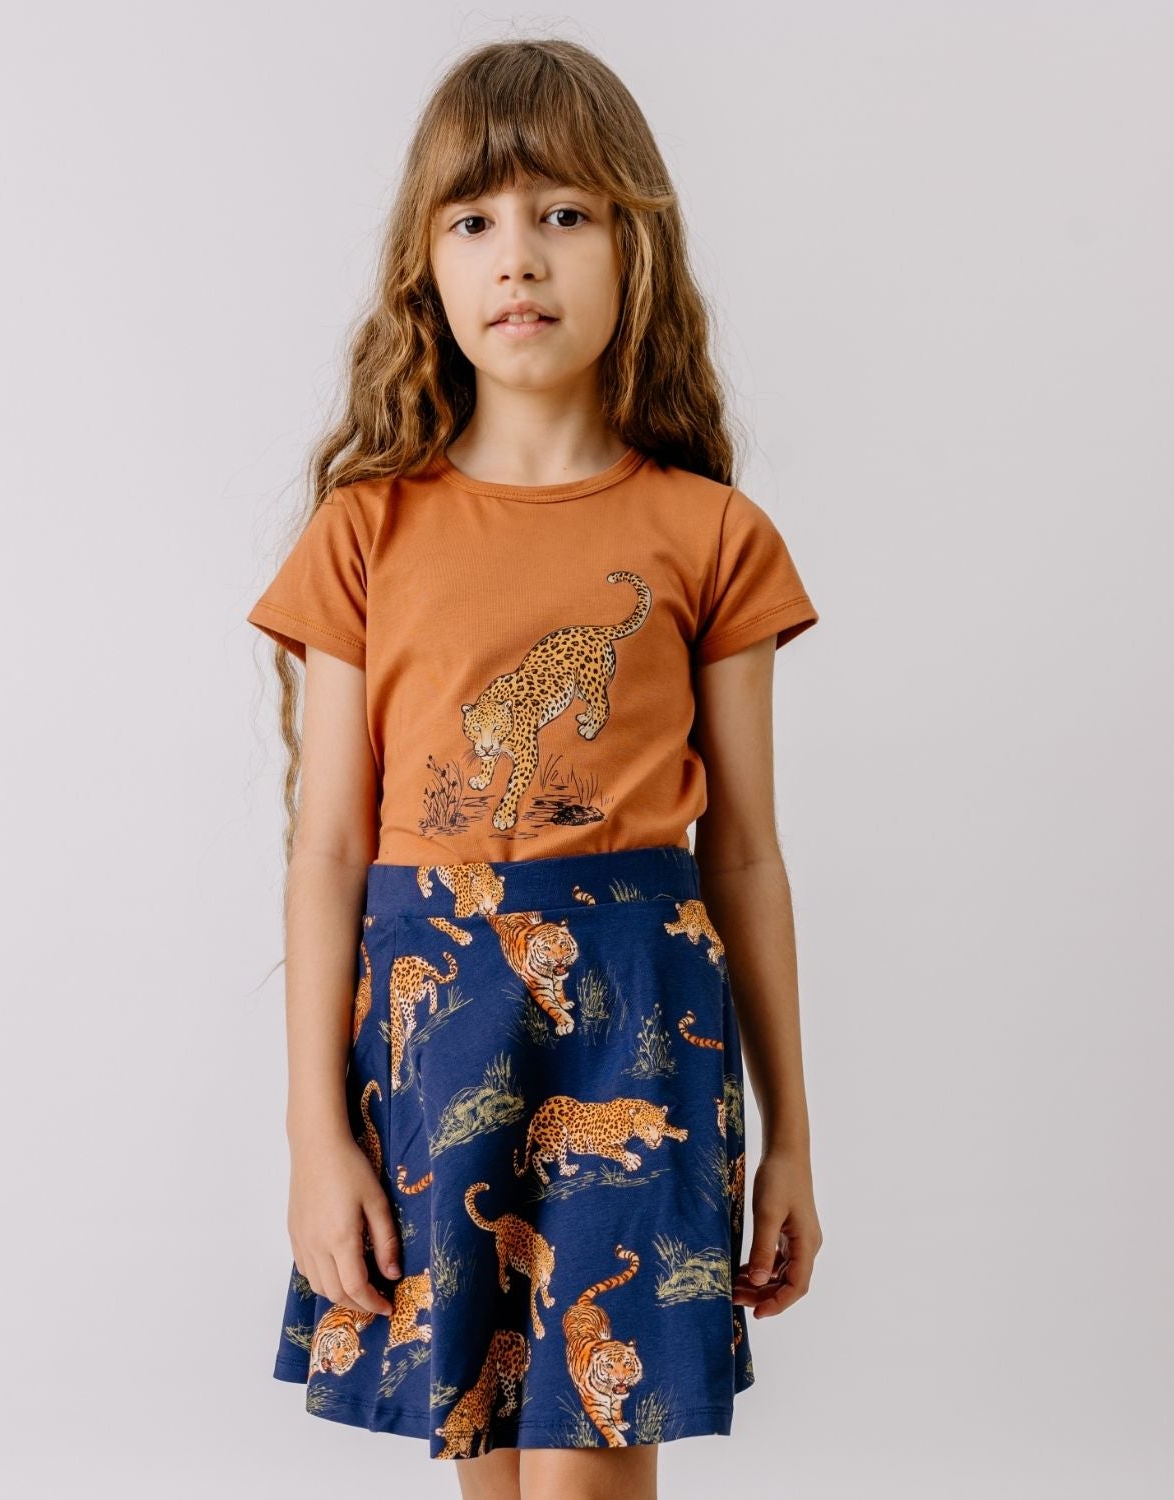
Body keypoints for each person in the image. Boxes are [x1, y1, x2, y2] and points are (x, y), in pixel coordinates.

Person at [246, 36, 823, 1500]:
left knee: (588, 1467)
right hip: (437, 1035)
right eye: (475, 219)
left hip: (640, 1027)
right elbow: (330, 850)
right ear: (425, 267)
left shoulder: (712, 533)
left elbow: (744, 853)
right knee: (491, 1464)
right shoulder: (366, 531)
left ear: (636, 247)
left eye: (565, 213)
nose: (520, 255)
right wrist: (315, 1135)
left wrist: (793, 1143)